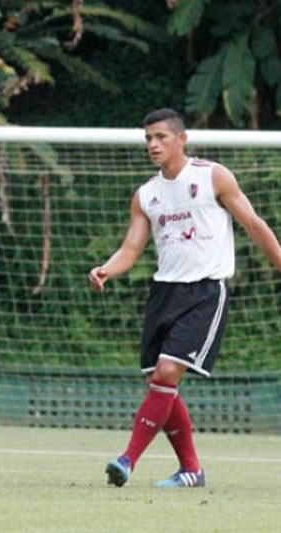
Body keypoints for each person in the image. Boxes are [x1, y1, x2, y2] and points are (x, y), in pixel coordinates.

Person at [90, 108, 281, 488]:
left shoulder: (213, 176)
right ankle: (191, 470)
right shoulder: (146, 194)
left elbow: (254, 224)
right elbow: (131, 248)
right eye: (148, 138)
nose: (153, 145)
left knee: (166, 374)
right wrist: (107, 268)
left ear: (182, 139)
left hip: (206, 290)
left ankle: (127, 459)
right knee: (158, 382)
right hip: (164, 292)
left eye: (160, 137)